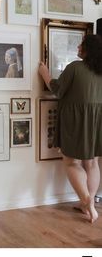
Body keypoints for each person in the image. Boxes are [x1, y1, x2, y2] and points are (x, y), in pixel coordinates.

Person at [38, 34, 102, 223]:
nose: (77, 49)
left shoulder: (75, 67)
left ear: (88, 49)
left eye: (81, 46)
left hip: (76, 119)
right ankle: (87, 203)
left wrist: (44, 73)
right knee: (92, 162)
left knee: (71, 162)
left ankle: (87, 201)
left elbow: (57, 89)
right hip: (98, 120)